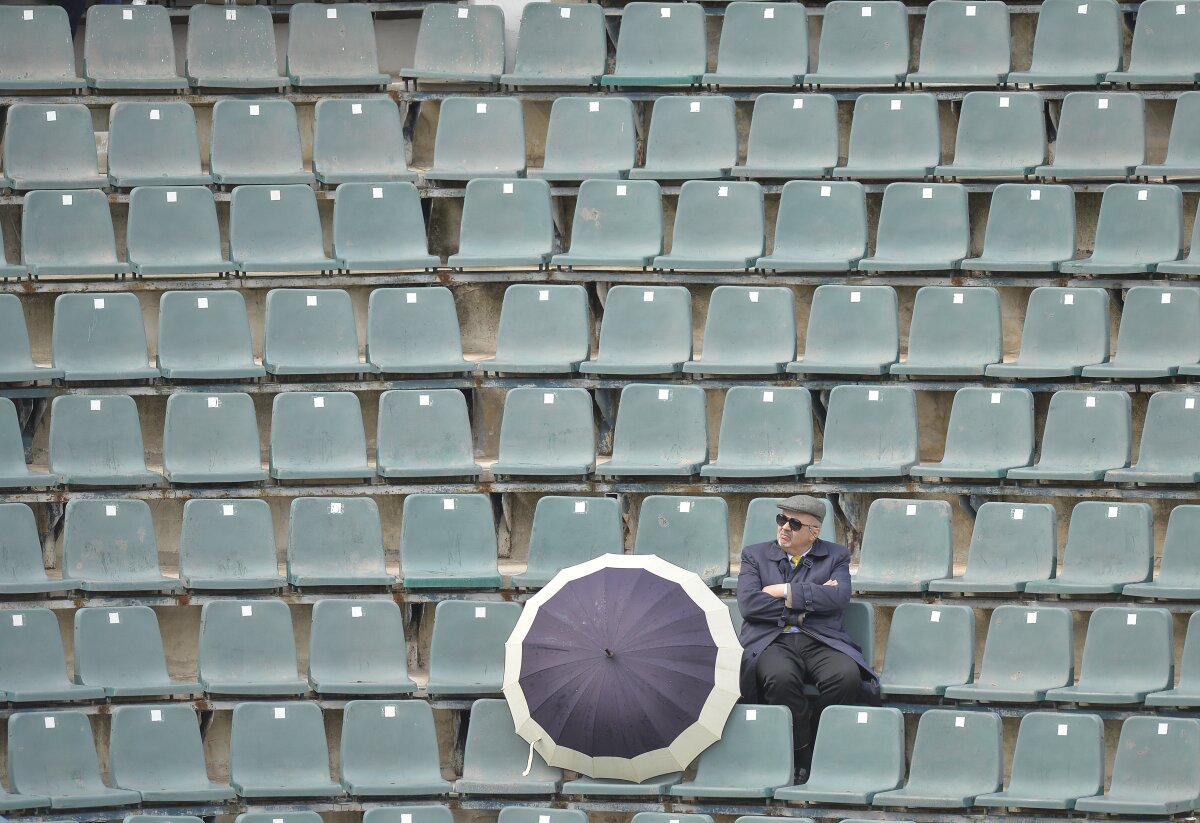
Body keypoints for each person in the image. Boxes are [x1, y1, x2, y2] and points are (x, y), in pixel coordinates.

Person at [736, 494, 879, 784]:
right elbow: (750, 605)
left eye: (794, 523)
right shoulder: (754, 555)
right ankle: (801, 753)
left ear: (814, 532)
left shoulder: (836, 555)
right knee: (780, 679)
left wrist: (782, 590)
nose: (784, 527)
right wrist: (809, 604)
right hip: (772, 639)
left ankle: (816, 738)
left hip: (821, 639)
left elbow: (838, 598)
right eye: (781, 519)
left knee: (846, 676)